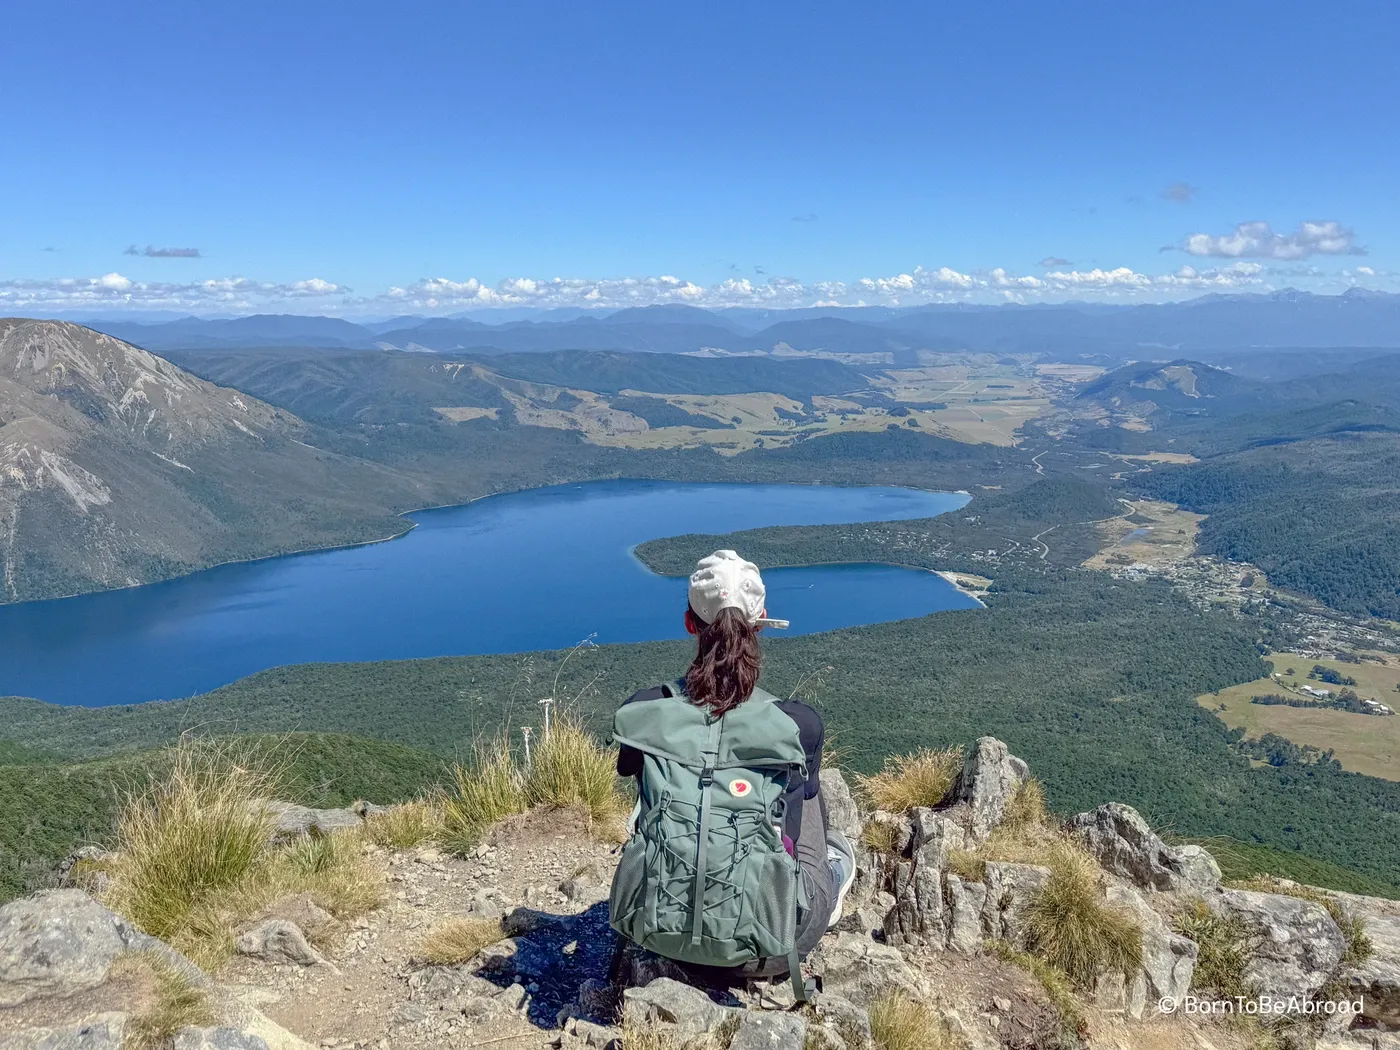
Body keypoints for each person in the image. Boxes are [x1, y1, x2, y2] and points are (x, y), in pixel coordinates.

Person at [611, 549, 856, 992]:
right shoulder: (797, 725)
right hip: (772, 947)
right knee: (809, 801)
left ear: (690, 623)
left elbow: (629, 769)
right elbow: (797, 817)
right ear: (760, 621)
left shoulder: (643, 712)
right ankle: (832, 878)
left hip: (654, 932)